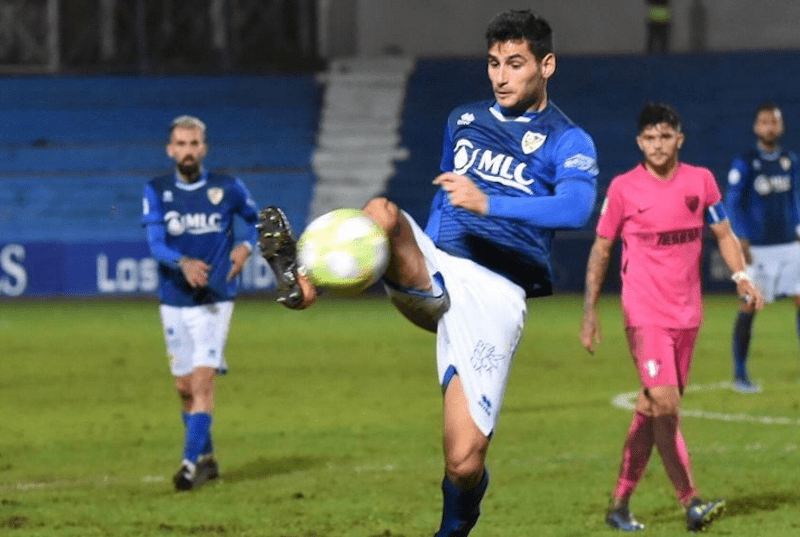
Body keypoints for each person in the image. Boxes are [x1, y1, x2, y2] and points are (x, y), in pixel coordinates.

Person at [260, 9, 598, 535]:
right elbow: (446, 197)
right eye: (493, 64)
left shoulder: (567, 140)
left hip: (495, 295)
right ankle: (305, 279)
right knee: (382, 212)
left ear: (546, 65)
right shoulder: (464, 119)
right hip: (441, 270)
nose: (501, 76)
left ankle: (455, 527)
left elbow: (576, 209)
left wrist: (489, 205)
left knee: (464, 460)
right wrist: (420, 253)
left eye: (515, 64)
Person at [580, 102, 764, 532]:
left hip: (688, 314)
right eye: (649, 138)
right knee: (666, 402)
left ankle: (620, 505)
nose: (657, 145)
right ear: (638, 142)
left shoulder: (701, 181)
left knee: (650, 406)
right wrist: (590, 312)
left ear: (679, 139)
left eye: (665, 136)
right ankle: (692, 501)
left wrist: (741, 275)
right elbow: (602, 249)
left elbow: (723, 233)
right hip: (644, 313)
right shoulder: (624, 188)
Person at [142, 115, 260, 491]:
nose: (188, 151)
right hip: (174, 297)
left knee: (203, 381)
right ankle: (207, 458)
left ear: (203, 148)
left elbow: (258, 221)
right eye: (181, 144)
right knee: (184, 387)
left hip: (216, 297)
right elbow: (156, 244)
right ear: (170, 149)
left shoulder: (228, 187)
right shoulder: (156, 189)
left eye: (194, 144)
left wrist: (245, 246)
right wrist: (183, 263)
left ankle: (188, 467)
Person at [725, 101, 800, 394]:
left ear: (781, 126)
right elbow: (733, 201)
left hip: (790, 245)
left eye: (775, 122)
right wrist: (740, 237)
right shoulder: (745, 162)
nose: (770, 127)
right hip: (756, 249)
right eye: (765, 122)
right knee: (749, 305)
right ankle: (740, 374)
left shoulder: (791, 161)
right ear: (757, 127)